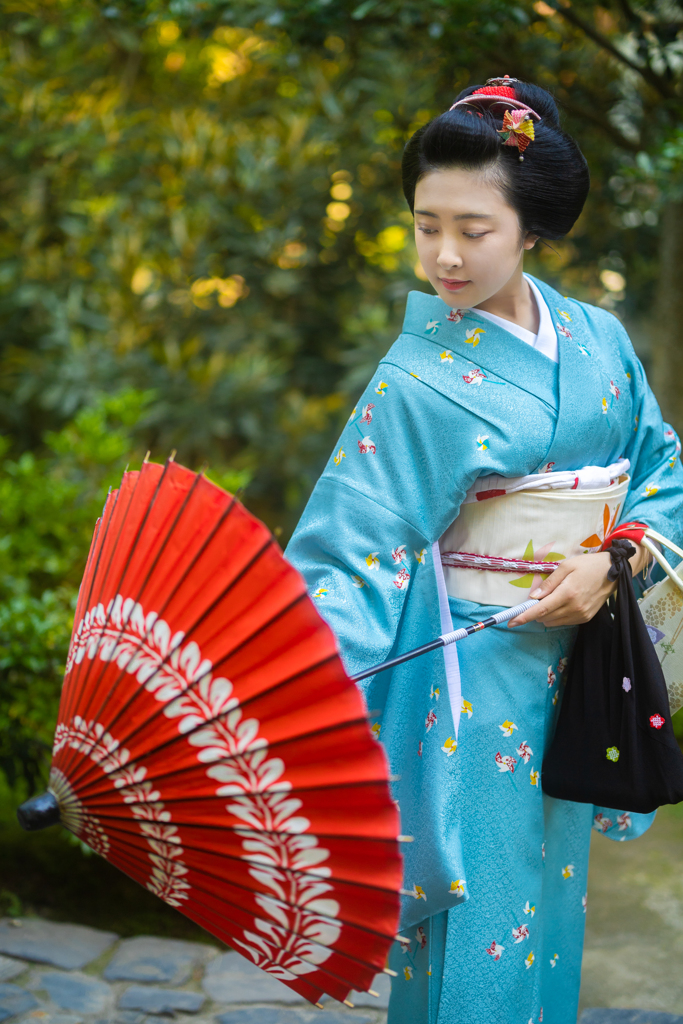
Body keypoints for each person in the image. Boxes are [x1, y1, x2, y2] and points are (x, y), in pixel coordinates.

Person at [285, 77, 683, 1024]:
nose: (445, 255)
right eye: (426, 225)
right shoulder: (413, 381)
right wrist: (284, 695)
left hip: (580, 662)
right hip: (470, 676)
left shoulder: (598, 341)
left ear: (531, 226)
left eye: (474, 228)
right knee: (477, 906)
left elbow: (660, 465)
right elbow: (350, 553)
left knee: (551, 903)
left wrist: (612, 560)